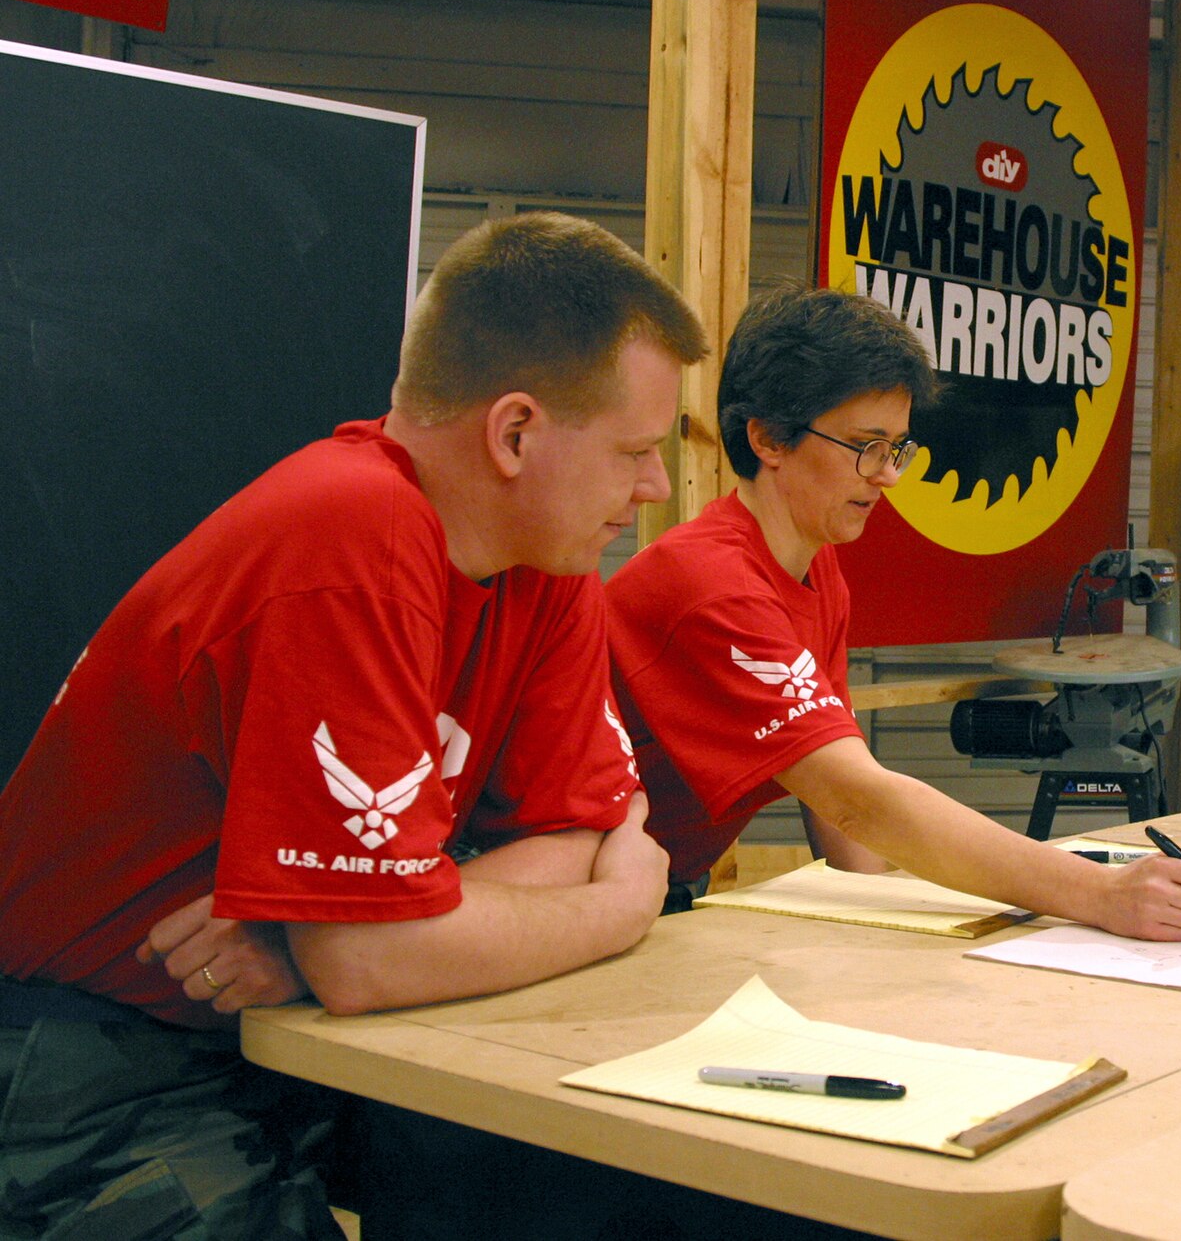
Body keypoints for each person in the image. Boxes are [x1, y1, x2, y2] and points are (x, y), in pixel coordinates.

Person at [0, 212, 702, 1239]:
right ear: (514, 433)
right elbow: (381, 959)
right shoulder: (350, 529)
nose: (653, 488)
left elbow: (572, 834)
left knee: (620, 1191)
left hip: (289, 1029)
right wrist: (620, 907)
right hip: (87, 1063)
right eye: (636, 451)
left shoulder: (543, 564)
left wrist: (328, 937)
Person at [606, 283, 1181, 940]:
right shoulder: (714, 586)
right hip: (589, 890)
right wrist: (1100, 893)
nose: (888, 477)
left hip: (661, 881)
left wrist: (881, 924)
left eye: (897, 449)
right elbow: (858, 802)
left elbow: (834, 789)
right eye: (865, 446)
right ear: (767, 437)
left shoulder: (815, 565)